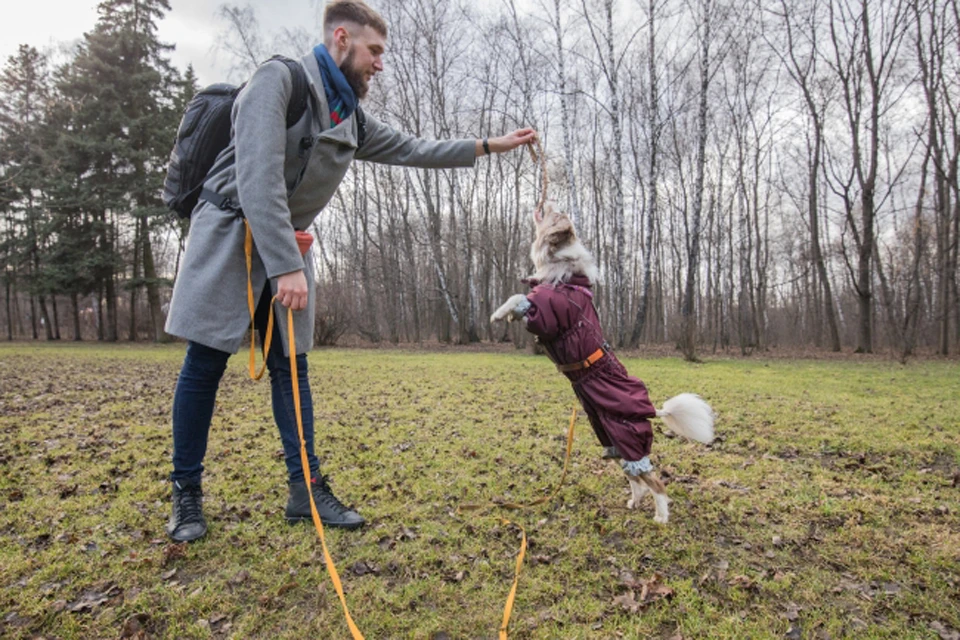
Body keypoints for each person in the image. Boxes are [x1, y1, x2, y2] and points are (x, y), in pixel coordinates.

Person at [163, 0, 537, 542]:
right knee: (205, 364)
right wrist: (287, 264)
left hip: (287, 247)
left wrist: (487, 145)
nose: (380, 64)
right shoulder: (278, 80)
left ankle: (305, 490)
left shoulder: (347, 114)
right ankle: (186, 494)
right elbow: (257, 176)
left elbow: (411, 148)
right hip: (231, 236)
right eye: (375, 51)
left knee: (293, 369)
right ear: (341, 38)